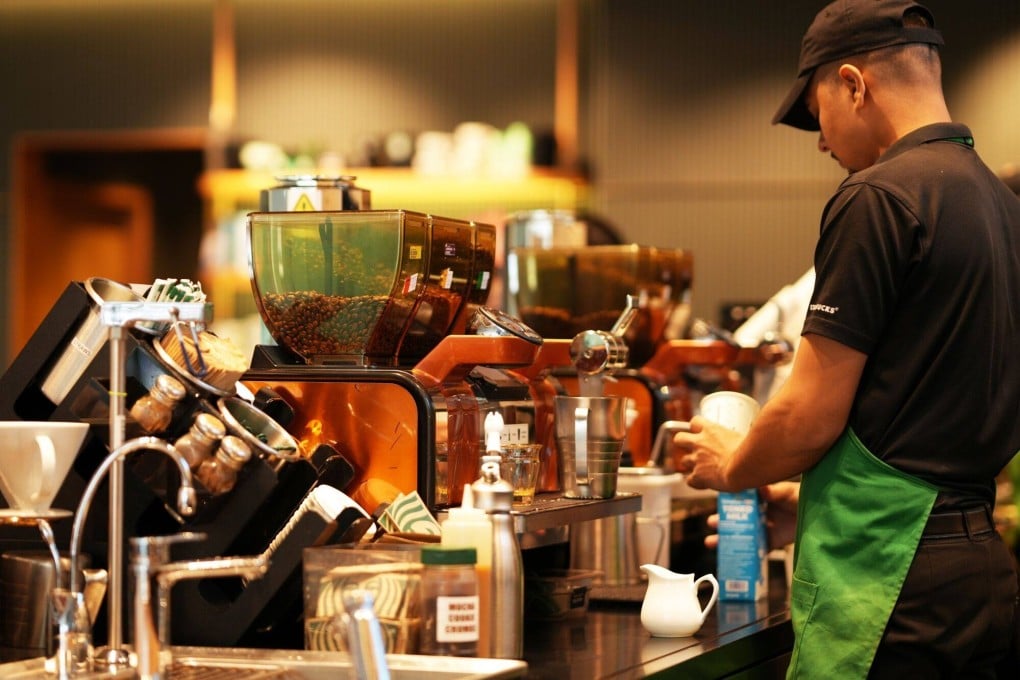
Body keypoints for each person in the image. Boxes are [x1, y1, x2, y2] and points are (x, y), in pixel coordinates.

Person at [674, 1, 1020, 677]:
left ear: (856, 85)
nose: (822, 141)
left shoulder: (880, 197)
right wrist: (811, 505)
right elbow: (925, 414)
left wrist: (734, 465)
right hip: (981, 571)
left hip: (892, 586)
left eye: (817, 110)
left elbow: (807, 416)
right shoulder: (1003, 206)